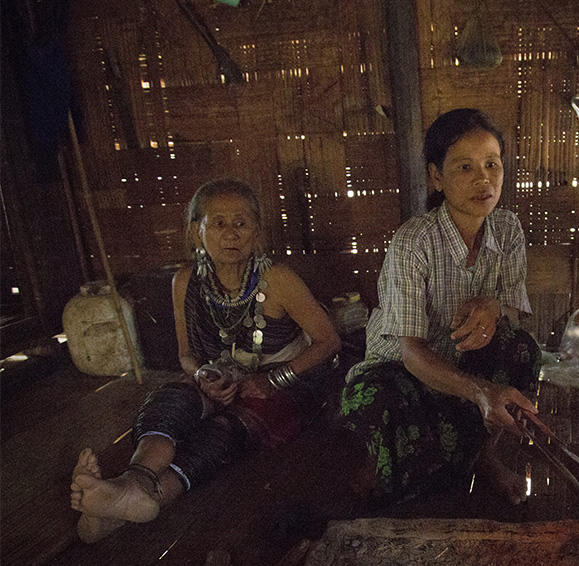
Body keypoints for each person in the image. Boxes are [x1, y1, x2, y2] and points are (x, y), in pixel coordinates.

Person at [70, 179, 340, 542]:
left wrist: (271, 381)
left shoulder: (277, 280)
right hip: (222, 377)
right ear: (197, 233)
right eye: (218, 223)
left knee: (224, 430)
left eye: (241, 223)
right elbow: (186, 356)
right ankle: (132, 484)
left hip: (287, 381)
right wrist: (203, 375)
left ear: (257, 233)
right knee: (173, 400)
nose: (230, 234)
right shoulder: (185, 282)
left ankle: (145, 497)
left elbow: (329, 342)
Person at [340, 108, 540, 505]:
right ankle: (403, 493)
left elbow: (514, 312)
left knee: (521, 349)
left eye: (492, 164)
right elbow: (412, 354)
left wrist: (494, 306)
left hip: (462, 359)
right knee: (379, 401)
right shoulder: (413, 243)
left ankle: (484, 459)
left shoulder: (508, 229)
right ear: (436, 177)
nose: (483, 178)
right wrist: (481, 391)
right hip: (400, 368)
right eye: (465, 167)